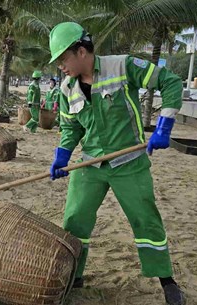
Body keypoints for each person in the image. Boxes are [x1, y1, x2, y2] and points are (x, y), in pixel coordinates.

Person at [47, 22, 185, 305]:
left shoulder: (122, 66)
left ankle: (167, 280)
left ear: (81, 51)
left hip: (129, 161)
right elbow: (71, 127)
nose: (61, 66)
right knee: (75, 221)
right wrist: (62, 156)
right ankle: (75, 275)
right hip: (91, 164)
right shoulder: (66, 88)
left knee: (145, 220)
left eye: (63, 59)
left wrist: (164, 126)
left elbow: (170, 81)